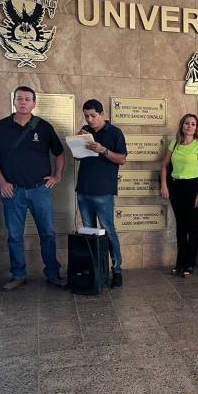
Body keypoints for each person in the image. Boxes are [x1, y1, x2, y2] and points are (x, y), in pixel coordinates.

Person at [0, 86, 66, 291]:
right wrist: (2, 182)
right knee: (14, 236)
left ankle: (53, 273)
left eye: (27, 99)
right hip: (12, 191)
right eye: (19, 98)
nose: (23, 102)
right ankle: (18, 274)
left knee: (48, 232)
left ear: (34, 103)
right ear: (14, 101)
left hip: (40, 189)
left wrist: (57, 176)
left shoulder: (44, 127)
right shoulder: (1, 127)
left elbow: (59, 153)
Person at [75, 99, 127, 288]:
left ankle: (117, 270)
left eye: (93, 116)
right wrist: (78, 141)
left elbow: (121, 159)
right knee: (89, 231)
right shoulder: (85, 130)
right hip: (83, 189)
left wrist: (103, 150)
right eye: (86, 116)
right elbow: (77, 156)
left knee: (109, 230)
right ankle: (96, 270)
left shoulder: (114, 132)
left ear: (102, 114)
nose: (89, 120)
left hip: (103, 191)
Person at [160, 114, 198, 277]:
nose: (189, 126)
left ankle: (190, 264)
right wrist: (164, 185)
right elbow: (164, 166)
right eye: (187, 123)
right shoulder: (175, 143)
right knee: (180, 227)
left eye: (193, 124)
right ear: (182, 125)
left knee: (192, 227)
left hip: (193, 187)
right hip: (175, 187)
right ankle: (180, 263)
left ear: (196, 128)